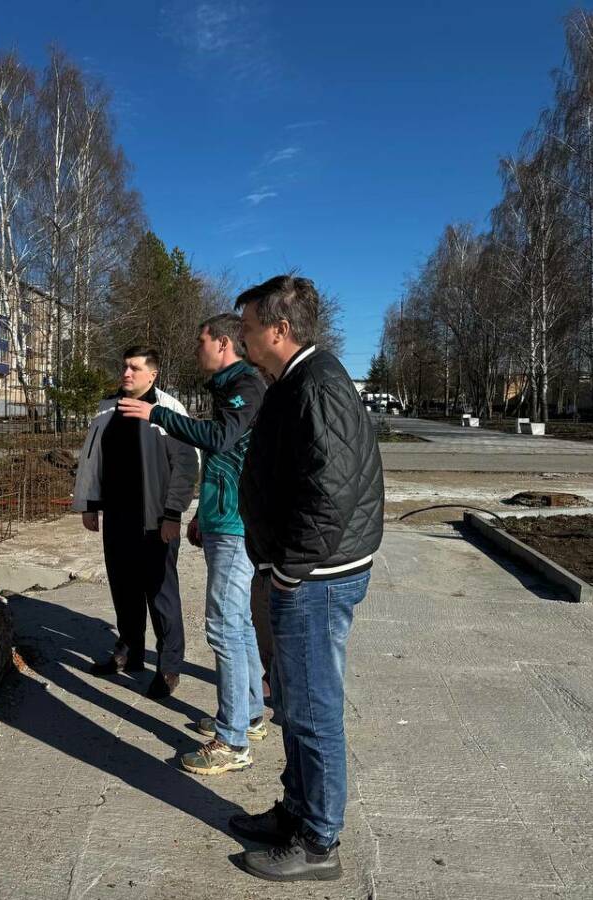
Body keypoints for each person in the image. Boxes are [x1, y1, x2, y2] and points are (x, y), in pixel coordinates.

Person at [230, 275, 384, 883]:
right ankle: (296, 811)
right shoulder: (294, 381)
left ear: (279, 330)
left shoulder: (318, 385)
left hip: (316, 578)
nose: (240, 336)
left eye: (246, 327)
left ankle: (319, 840)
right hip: (304, 573)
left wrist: (289, 570)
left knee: (314, 709)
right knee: (293, 703)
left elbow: (332, 493)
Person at [118, 314, 268, 776]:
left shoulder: (247, 383)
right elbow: (225, 460)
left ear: (223, 343)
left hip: (240, 525)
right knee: (237, 623)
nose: (196, 347)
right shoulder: (228, 387)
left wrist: (158, 413)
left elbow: (221, 438)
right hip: (223, 517)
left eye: (201, 340)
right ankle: (248, 716)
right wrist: (202, 514)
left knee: (223, 625)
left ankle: (232, 741)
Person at [72, 345, 199, 700]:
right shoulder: (107, 409)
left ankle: (169, 666)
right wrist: (88, 504)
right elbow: (93, 459)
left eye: (134, 368)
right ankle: (129, 652)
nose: (126, 373)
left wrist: (174, 513)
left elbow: (187, 466)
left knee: (161, 596)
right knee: (123, 590)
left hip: (156, 520)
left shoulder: (168, 411)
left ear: (152, 374)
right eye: (124, 366)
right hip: (118, 518)